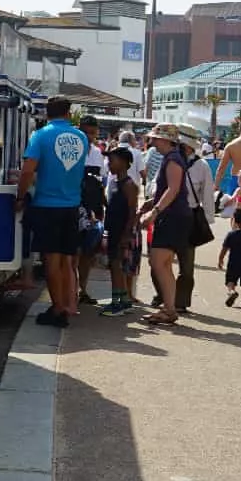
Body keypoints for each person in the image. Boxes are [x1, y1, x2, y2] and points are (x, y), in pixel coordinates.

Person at [17, 97, 88, 327]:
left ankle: (57, 308)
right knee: (67, 260)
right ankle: (68, 304)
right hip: (72, 205)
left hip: (47, 204)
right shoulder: (81, 137)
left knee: (51, 260)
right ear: (68, 113)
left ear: (47, 113)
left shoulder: (40, 135)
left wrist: (20, 196)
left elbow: (28, 170)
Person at [135, 125, 192, 325]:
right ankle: (169, 308)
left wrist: (154, 212)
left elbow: (173, 189)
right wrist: (152, 204)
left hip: (171, 217)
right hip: (174, 216)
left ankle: (169, 308)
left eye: (156, 139)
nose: (153, 142)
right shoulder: (173, 158)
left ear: (167, 140)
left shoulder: (173, 159)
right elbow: (171, 189)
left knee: (158, 262)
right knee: (163, 264)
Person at [172, 124, 216, 313]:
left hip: (189, 218)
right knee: (159, 262)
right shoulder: (170, 161)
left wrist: (206, 220)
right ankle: (163, 296)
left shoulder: (201, 166)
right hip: (169, 215)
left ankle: (180, 302)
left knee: (186, 267)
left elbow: (207, 194)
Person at [99, 146, 142, 316]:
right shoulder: (114, 182)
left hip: (122, 232)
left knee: (117, 266)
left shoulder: (129, 185)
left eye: (112, 161)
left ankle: (117, 303)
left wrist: (127, 234)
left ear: (124, 163)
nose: (109, 164)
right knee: (114, 265)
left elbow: (131, 211)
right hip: (114, 229)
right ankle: (124, 300)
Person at [76, 116, 107, 305]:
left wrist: (99, 210)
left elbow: (99, 183)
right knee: (73, 251)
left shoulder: (97, 153)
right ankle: (72, 290)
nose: (89, 137)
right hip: (74, 206)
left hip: (92, 209)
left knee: (88, 253)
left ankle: (82, 289)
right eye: (86, 132)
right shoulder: (71, 150)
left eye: (93, 133)